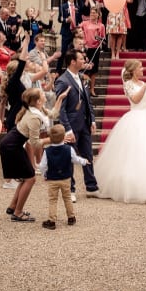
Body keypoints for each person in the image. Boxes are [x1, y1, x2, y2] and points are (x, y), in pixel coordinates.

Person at [94, 59, 146, 203]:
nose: (143, 70)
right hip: (135, 118)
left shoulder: (140, 83)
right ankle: (135, 187)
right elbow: (134, 100)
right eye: (140, 68)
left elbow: (144, 103)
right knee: (135, 151)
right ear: (133, 70)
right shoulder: (128, 84)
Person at [0, 87, 66, 222]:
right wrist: (56, 139)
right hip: (11, 146)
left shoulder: (37, 110)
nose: (44, 93)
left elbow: (53, 114)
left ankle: (13, 207)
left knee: (26, 177)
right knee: (30, 179)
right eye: (42, 93)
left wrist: (60, 98)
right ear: (37, 101)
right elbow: (35, 143)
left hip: (13, 144)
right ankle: (18, 213)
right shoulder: (34, 117)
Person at [54, 50, 99, 202]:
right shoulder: (62, 80)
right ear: (73, 61)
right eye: (81, 58)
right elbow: (61, 108)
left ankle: (91, 186)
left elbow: (88, 102)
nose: (84, 60)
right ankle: (70, 189)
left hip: (84, 124)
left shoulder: (81, 78)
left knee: (88, 155)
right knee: (70, 158)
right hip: (71, 126)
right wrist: (67, 129)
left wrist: (92, 120)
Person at [40, 124, 91, 229]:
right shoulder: (69, 149)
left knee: (53, 199)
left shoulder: (47, 151)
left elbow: (42, 165)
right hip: (66, 178)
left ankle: (52, 220)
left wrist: (44, 174)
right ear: (64, 137)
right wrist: (84, 161)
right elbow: (76, 159)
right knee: (67, 198)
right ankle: (71, 217)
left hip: (52, 179)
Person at [80, 7, 106, 96]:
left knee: (94, 70)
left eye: (94, 13)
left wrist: (97, 37)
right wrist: (82, 42)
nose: (92, 14)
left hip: (96, 49)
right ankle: (84, 90)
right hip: (86, 48)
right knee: (85, 69)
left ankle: (92, 89)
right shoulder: (84, 23)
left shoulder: (101, 26)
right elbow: (78, 32)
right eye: (91, 13)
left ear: (98, 15)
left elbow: (103, 39)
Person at [57, 0, 83, 73]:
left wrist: (79, 26)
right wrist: (66, 20)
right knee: (64, 51)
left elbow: (79, 19)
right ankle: (58, 70)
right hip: (66, 30)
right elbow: (60, 19)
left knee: (75, 50)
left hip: (75, 31)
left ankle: (73, 68)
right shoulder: (63, 6)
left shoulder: (77, 6)